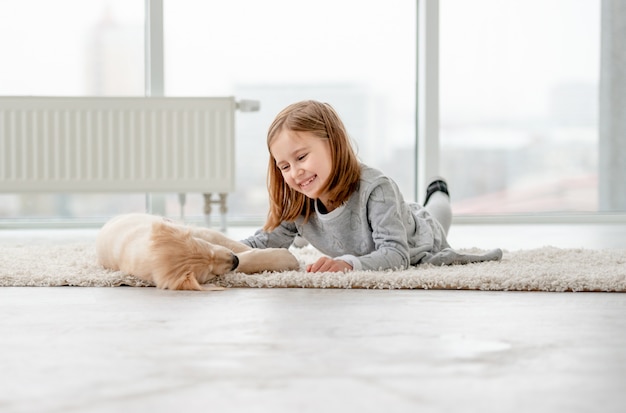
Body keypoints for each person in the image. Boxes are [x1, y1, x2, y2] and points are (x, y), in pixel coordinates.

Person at [241, 100, 502, 272]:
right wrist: (217, 251)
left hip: (419, 237)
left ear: (333, 144)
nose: (295, 172)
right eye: (284, 166)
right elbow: (261, 243)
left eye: (301, 157)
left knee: (435, 216)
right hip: (390, 216)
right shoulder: (299, 202)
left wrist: (348, 264)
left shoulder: (377, 189)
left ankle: (438, 191)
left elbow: (397, 255)